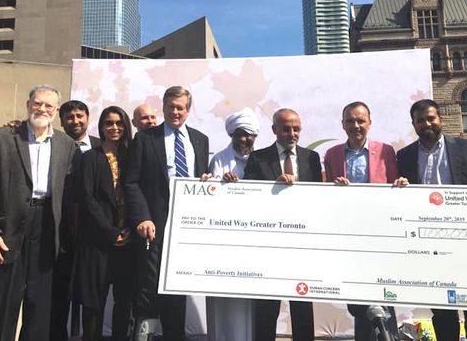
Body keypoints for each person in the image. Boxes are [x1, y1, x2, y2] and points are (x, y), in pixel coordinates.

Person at [395, 99, 467, 341]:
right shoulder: (404, 156)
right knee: (442, 312)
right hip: (429, 244)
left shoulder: (464, 148)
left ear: (441, 119)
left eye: (431, 118)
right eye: (420, 120)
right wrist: (400, 187)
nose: (427, 124)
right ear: (413, 124)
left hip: (465, 242)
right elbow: (399, 197)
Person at [0, 84, 77, 341]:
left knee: (40, 307)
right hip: (8, 229)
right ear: (28, 105)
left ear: (56, 111)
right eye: (37, 103)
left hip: (48, 227)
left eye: (48, 105)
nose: (42, 109)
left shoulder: (66, 145)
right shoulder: (1, 138)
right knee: (2, 303)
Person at [124, 86, 209, 341]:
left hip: (186, 227)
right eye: (171, 106)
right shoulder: (145, 138)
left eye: (180, 108)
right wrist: (142, 217)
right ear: (163, 107)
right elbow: (131, 182)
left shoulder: (200, 140)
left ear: (188, 110)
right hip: (154, 226)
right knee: (149, 290)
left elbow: (200, 179)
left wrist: (206, 183)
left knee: (177, 289)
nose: (175, 112)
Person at [323, 101, 400, 341]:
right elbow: (325, 194)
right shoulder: (332, 154)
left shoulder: (386, 151)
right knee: (357, 297)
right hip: (349, 235)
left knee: (383, 293)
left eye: (360, 121)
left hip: (380, 233)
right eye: (350, 121)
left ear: (370, 123)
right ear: (343, 124)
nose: (355, 126)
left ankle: (389, 336)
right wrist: (334, 189)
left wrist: (401, 186)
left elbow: (395, 186)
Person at [243, 108, 321, 341]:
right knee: (267, 308)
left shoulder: (311, 158)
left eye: (296, 129)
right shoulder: (258, 158)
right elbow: (248, 196)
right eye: (286, 129)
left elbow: (319, 197)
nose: (292, 133)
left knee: (302, 305)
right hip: (270, 243)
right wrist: (272, 188)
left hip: (302, 242)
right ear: (274, 129)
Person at [73, 106, 134, 341]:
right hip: (98, 241)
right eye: (109, 123)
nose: (114, 128)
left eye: (119, 123)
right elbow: (87, 198)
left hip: (127, 240)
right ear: (101, 127)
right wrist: (110, 232)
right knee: (93, 302)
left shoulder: (132, 157)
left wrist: (128, 230)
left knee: (124, 301)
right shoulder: (91, 157)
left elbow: (138, 194)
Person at [206, 108, 260, 341]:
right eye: (240, 134)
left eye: (249, 134)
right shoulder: (219, 159)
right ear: (232, 135)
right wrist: (224, 183)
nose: (244, 139)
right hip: (224, 240)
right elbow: (211, 195)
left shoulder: (263, 160)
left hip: (254, 241)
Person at [52, 100, 101, 341]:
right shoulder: (51, 144)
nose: (75, 121)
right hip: (61, 234)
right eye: (69, 117)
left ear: (88, 118)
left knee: (92, 297)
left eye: (80, 116)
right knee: (59, 295)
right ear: (61, 121)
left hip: (95, 236)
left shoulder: (103, 146)